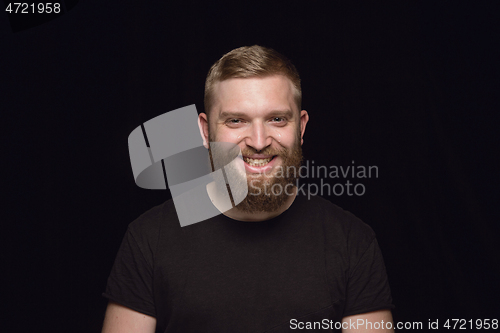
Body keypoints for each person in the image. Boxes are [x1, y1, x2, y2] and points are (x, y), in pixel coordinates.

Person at [102, 45, 395, 332]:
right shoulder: (148, 240)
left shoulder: (352, 242)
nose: (258, 141)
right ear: (205, 131)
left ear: (301, 128)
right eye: (236, 120)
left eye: (277, 119)